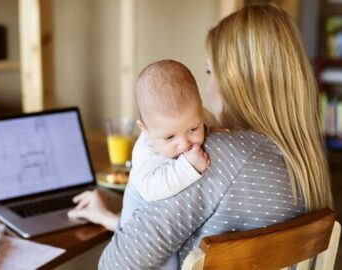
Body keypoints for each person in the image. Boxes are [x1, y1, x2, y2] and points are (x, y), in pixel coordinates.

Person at [96, 3, 333, 269]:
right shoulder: (305, 160)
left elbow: (117, 264)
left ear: (236, 81)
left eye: (210, 72)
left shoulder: (219, 156)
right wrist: (112, 218)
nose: (206, 86)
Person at [68, 60, 216, 232]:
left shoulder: (195, 114)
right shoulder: (145, 151)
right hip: (137, 229)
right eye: (169, 137)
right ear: (144, 129)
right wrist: (189, 167)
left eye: (193, 129)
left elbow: (210, 121)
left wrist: (215, 130)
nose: (185, 143)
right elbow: (151, 190)